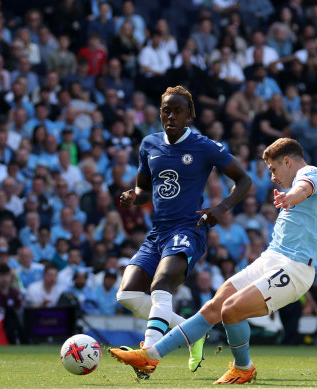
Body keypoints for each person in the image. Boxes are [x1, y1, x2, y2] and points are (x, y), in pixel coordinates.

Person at [109, 138, 317, 384]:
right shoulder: (316, 201)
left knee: (231, 310)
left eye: (273, 169)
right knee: (215, 305)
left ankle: (243, 367)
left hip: (295, 268)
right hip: (271, 258)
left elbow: (303, 187)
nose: (272, 176)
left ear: (286, 161)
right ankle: (151, 356)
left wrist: (291, 197)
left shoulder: (310, 174)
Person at [113, 86, 252, 378]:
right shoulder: (149, 144)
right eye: (166, 110)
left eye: (178, 111)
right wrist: (132, 196)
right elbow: (144, 190)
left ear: (190, 115)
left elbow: (243, 180)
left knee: (161, 284)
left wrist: (221, 208)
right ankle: (191, 331)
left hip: (188, 229)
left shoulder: (204, 146)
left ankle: (148, 356)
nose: (171, 116)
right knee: (126, 295)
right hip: (157, 233)